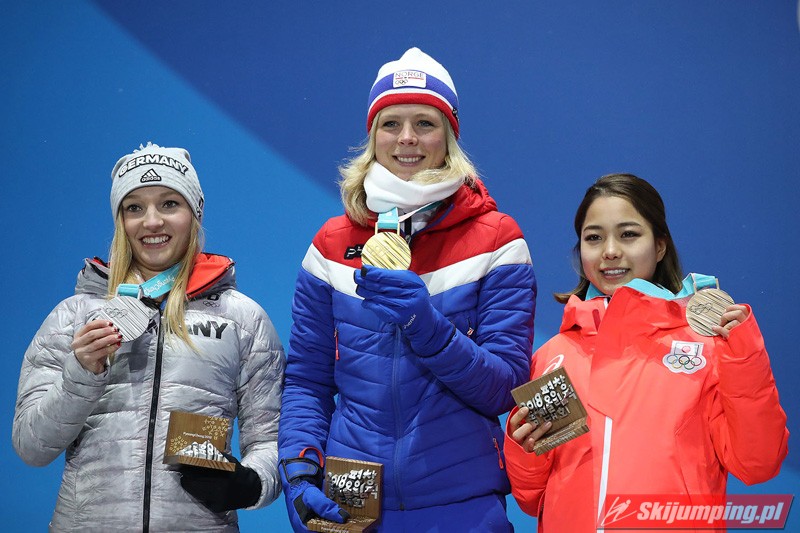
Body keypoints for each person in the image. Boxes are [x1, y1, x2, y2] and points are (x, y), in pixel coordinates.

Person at [277, 47, 537, 532]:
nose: (407, 138)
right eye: (391, 123)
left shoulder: (498, 240)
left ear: (449, 135)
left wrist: (428, 328)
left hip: (461, 504)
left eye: (425, 123)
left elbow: (504, 388)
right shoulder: (331, 244)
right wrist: (298, 470)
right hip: (353, 504)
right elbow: (308, 380)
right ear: (372, 137)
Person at [13, 143, 286, 532]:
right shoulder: (74, 315)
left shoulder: (242, 319)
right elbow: (31, 446)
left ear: (195, 213)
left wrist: (251, 483)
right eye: (134, 208)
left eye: (169, 204)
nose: (152, 221)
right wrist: (81, 374)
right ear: (120, 221)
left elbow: (273, 441)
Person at [504, 173, 789, 532]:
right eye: (594, 237)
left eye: (628, 234)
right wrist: (525, 450)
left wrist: (744, 356)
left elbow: (758, 463)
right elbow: (531, 500)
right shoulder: (554, 355)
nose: (610, 251)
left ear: (660, 246)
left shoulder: (710, 348)